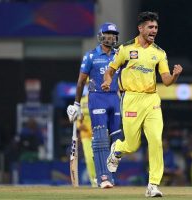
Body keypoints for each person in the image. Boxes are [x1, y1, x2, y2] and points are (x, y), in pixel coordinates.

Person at [101, 11, 183, 197]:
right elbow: (111, 71)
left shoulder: (159, 53)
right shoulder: (126, 49)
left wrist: (175, 75)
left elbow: (166, 80)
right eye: (150, 27)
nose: (154, 30)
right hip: (131, 98)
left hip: (152, 99)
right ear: (140, 28)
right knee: (132, 145)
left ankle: (153, 185)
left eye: (156, 27)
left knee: (155, 140)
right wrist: (107, 81)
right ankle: (117, 149)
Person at [67, 22, 123, 189]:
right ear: (101, 36)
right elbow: (80, 81)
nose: (111, 37)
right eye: (108, 34)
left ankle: (110, 173)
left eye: (113, 34)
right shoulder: (91, 56)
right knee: (100, 138)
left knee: (118, 140)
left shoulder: (119, 55)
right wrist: (76, 104)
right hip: (97, 97)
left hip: (114, 97)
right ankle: (103, 177)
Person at [77, 90, 97, 187]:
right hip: (86, 135)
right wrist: (79, 125)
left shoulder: (99, 99)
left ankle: (105, 179)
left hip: (98, 134)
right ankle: (94, 182)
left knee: (101, 159)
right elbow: (78, 118)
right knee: (89, 159)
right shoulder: (82, 101)